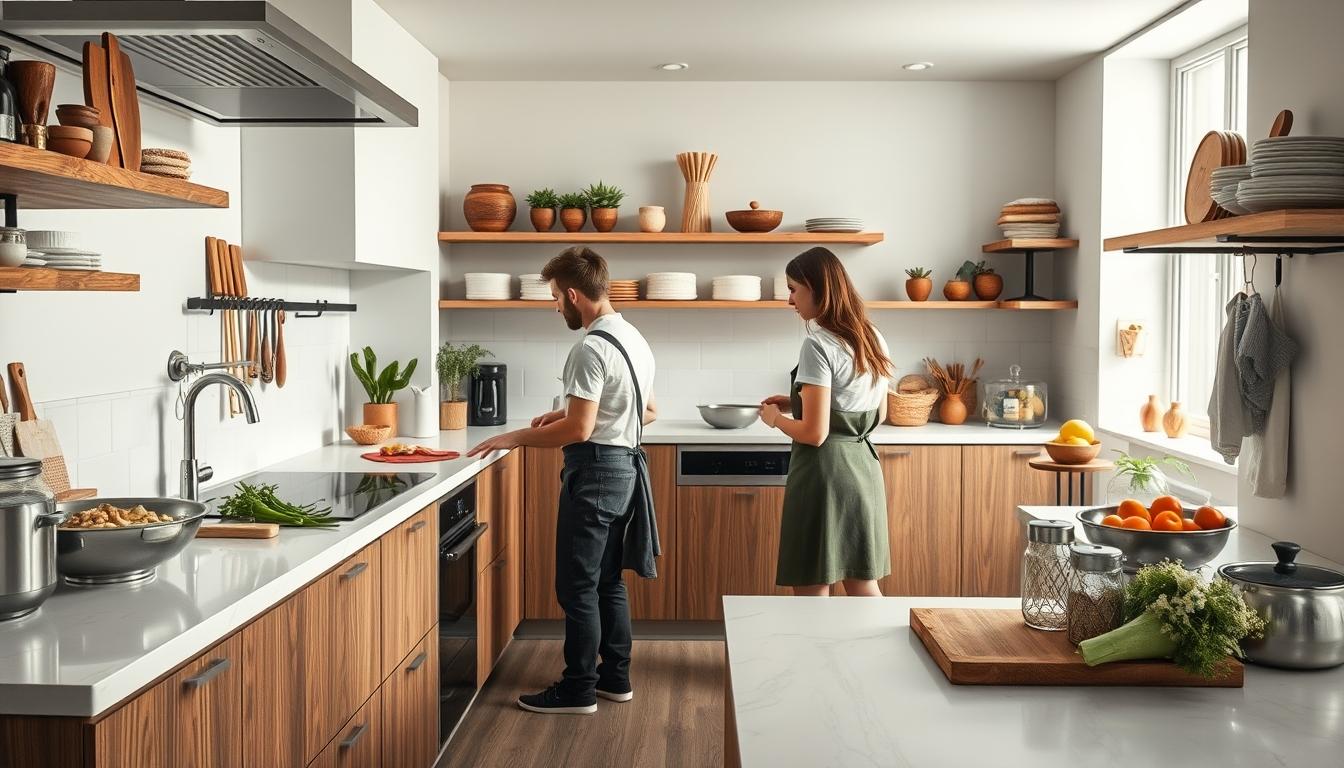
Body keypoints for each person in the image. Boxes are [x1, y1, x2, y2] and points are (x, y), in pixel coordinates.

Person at [468, 246, 659, 715]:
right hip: (625, 471)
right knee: (607, 582)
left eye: (555, 297)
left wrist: (513, 436)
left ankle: (577, 689)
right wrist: (567, 410)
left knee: (576, 587)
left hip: (594, 475)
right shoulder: (633, 337)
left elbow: (579, 431)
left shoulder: (590, 346)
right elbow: (648, 412)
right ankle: (615, 679)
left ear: (573, 294)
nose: (555, 306)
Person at [760, 246, 893, 597]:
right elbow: (875, 410)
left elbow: (814, 434)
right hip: (863, 470)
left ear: (816, 288)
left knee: (812, 588)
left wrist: (775, 419)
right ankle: (878, 654)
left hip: (824, 476)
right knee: (863, 583)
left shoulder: (818, 345)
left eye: (793, 289)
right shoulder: (873, 338)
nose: (791, 301)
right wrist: (796, 402)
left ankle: (816, 655)